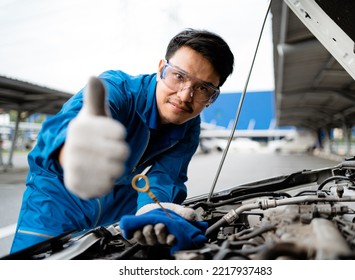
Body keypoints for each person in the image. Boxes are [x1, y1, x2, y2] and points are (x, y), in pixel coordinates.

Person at [10, 28, 234, 254]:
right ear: (160, 69)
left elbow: (167, 176)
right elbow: (65, 126)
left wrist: (152, 209)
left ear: (212, 97)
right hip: (57, 201)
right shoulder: (117, 89)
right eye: (179, 76)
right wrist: (70, 152)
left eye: (203, 88)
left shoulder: (189, 126)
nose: (185, 96)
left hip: (117, 206)